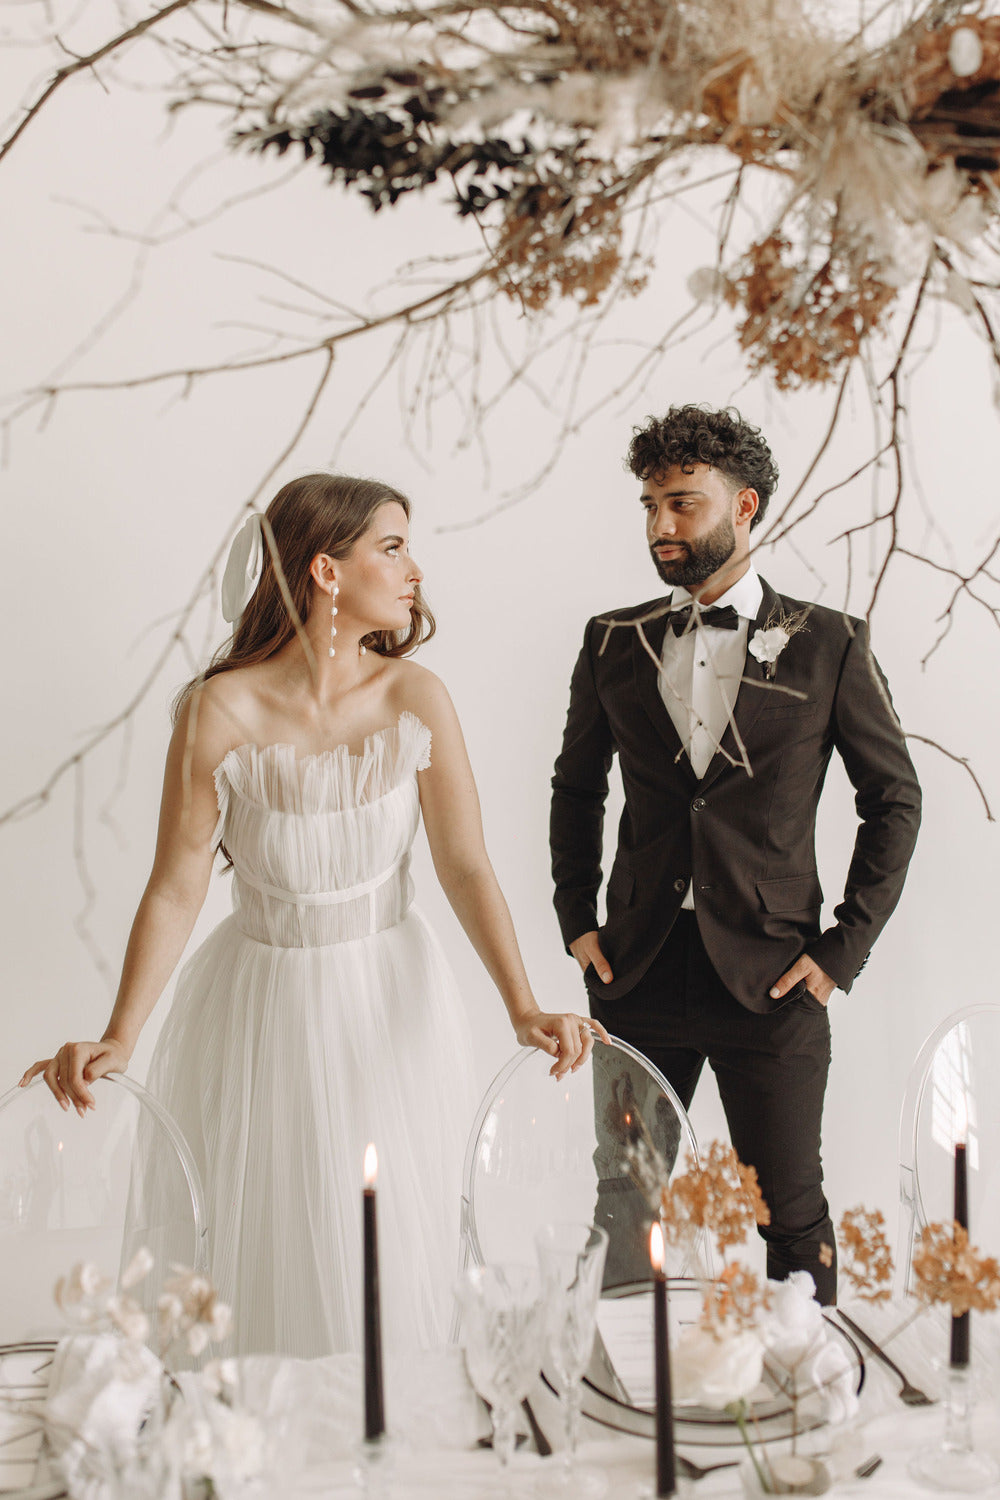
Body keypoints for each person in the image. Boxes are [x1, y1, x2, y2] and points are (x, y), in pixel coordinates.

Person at [22, 472, 607, 1356]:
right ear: (325, 571)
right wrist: (121, 1032)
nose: (415, 570)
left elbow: (464, 863)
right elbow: (176, 885)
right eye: (393, 546)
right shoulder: (219, 708)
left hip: (388, 1003)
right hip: (259, 1008)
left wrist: (522, 1005)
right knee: (276, 1227)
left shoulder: (416, 697)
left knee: (383, 1236)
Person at [550, 405, 921, 1303]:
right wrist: (577, 921)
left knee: (790, 1212)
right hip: (637, 972)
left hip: (775, 977)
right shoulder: (612, 639)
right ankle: (621, 1405)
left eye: (682, 503)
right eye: (649, 505)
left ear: (744, 505)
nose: (660, 527)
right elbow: (576, 786)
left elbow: (895, 799)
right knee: (625, 1204)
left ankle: (811, 1397)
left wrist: (842, 951)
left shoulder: (831, 642)